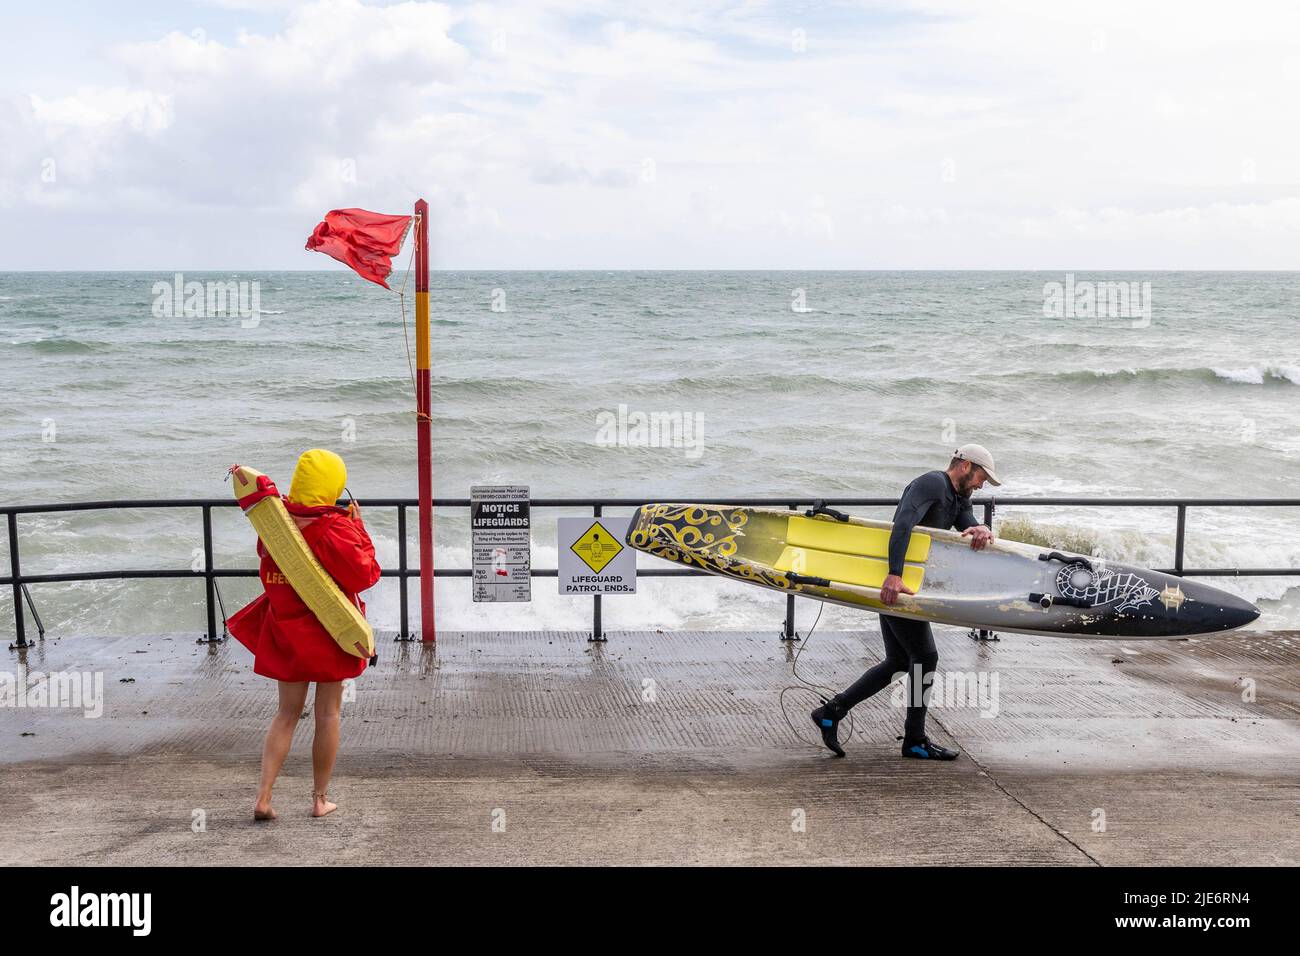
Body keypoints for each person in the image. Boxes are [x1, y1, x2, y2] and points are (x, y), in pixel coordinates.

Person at [810, 444, 1001, 760]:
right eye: (982, 476)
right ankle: (914, 740)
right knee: (925, 657)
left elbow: (966, 520)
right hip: (897, 585)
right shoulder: (931, 483)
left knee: (899, 662)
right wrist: (894, 574)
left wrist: (981, 527)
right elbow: (902, 525)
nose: (982, 484)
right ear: (966, 466)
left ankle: (831, 712)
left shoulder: (958, 495)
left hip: (906, 586)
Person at [227, 449, 382, 820]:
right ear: (332, 487)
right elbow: (366, 575)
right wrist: (358, 527)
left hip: (285, 628)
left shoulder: (273, 523)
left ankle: (264, 797)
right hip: (332, 630)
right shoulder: (336, 527)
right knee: (327, 714)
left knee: (286, 713)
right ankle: (319, 799)